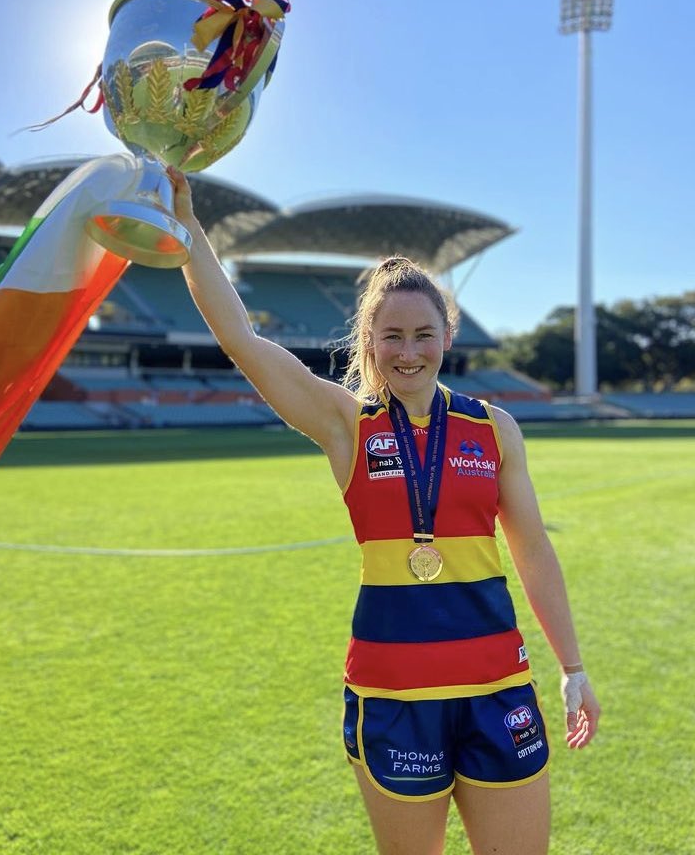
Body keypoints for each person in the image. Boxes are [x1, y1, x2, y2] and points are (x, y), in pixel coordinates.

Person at [167, 166, 600, 855]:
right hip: (393, 696)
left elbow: (533, 552)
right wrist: (190, 229)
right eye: (391, 336)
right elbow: (243, 342)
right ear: (369, 342)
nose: (408, 351)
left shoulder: (494, 430)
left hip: (498, 690)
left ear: (447, 336)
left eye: (423, 334)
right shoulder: (347, 427)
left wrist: (573, 666)